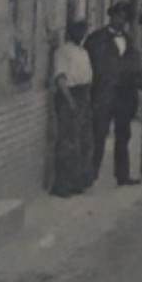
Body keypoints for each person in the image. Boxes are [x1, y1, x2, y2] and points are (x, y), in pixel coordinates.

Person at [85, 1, 142, 186]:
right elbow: (88, 66)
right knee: (98, 135)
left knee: (123, 136)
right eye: (118, 16)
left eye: (124, 18)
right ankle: (90, 175)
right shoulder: (95, 39)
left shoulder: (129, 41)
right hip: (103, 95)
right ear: (111, 16)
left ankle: (122, 175)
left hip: (124, 97)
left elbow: (136, 66)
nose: (121, 21)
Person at [50, 18, 95, 196]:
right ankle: (62, 185)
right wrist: (69, 100)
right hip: (70, 95)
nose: (81, 34)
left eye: (83, 31)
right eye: (78, 31)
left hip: (83, 95)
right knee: (68, 140)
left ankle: (78, 181)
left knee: (83, 140)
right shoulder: (63, 51)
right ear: (70, 32)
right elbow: (60, 78)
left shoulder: (82, 52)